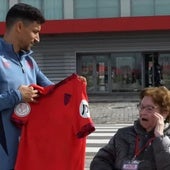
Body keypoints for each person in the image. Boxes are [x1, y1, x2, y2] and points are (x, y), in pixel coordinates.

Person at [0, 3, 54, 170]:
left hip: (26, 152)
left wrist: (75, 86)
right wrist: (16, 96)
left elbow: (52, 91)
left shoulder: (29, 61)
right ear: (20, 26)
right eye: (35, 32)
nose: (37, 39)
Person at [90, 86, 170, 170]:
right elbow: (100, 160)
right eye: (142, 107)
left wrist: (160, 138)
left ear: (164, 113)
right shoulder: (123, 134)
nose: (143, 112)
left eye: (149, 109)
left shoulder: (166, 138)